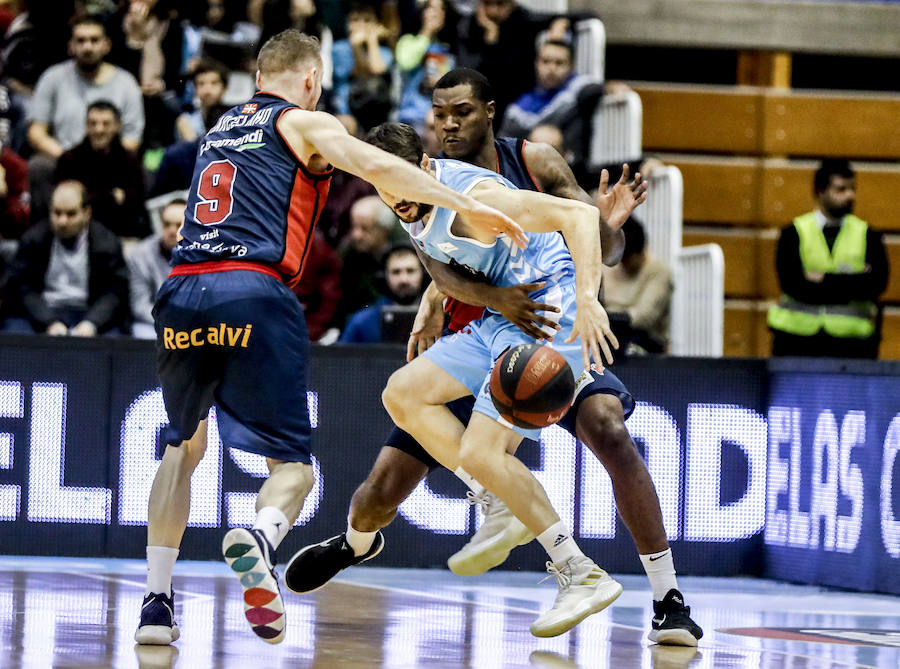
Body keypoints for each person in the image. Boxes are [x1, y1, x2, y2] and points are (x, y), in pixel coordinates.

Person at [285, 68, 703, 647]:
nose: (390, 194)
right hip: (497, 320)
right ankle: (494, 502)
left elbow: (578, 218)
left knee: (509, 447)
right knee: (402, 393)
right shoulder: (409, 200)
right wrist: (436, 299)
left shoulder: (476, 196)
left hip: (548, 317)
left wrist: (587, 299)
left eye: (395, 182)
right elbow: (445, 264)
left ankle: (580, 571)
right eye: (379, 184)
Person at [134, 28, 523, 647]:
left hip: (180, 291)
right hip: (252, 289)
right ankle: (260, 537)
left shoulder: (217, 130)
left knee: (183, 448)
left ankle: (156, 604)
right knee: (293, 470)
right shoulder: (304, 123)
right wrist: (461, 201)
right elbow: (376, 164)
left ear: (260, 75)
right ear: (311, 79)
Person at [27, 15, 144, 222]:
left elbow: (132, 140)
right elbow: (36, 132)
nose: (87, 47)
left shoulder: (126, 83)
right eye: (80, 41)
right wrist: (70, 158)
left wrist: (96, 161)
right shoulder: (52, 77)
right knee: (38, 166)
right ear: (71, 45)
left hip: (110, 162)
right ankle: (48, 230)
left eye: (94, 40)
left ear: (106, 45)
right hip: (62, 160)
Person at [768, 159, 889, 359]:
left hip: (852, 345)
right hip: (795, 341)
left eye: (852, 189)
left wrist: (823, 279)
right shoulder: (793, 232)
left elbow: (876, 285)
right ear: (820, 192)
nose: (850, 195)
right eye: (841, 189)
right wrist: (853, 282)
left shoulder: (869, 235)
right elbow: (793, 285)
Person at [1, 180, 130, 336]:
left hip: (88, 311)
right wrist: (49, 321)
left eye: (71, 214)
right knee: (15, 332)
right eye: (57, 213)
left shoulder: (107, 243)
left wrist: (92, 323)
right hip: (43, 310)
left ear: (86, 213)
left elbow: (115, 292)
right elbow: (22, 287)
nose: (62, 221)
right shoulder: (33, 239)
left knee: (115, 339)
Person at [499, 38, 603, 175]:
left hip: (570, 171)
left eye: (559, 63)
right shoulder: (520, 103)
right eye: (546, 61)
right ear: (536, 63)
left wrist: (611, 87)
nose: (551, 68)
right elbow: (502, 144)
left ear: (571, 67)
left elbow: (595, 89)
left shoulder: (577, 92)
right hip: (522, 171)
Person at [54, 100, 149, 239]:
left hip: (121, 232)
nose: (99, 129)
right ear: (86, 125)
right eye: (93, 123)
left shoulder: (130, 161)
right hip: (77, 234)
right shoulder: (69, 159)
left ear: (117, 125)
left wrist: (90, 196)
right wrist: (112, 196)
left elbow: (135, 202)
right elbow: (64, 202)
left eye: (106, 124)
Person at [604, 216, 673, 354]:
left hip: (644, 344)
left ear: (641, 251)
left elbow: (644, 317)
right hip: (607, 334)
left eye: (627, 259)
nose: (622, 264)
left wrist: (604, 317)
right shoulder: (609, 266)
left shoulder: (659, 271)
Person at [340, 244, 425, 343]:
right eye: (396, 272)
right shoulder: (362, 322)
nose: (403, 279)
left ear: (424, 274)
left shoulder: (439, 318)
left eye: (410, 271)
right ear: (383, 277)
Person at [127, 198, 183, 339]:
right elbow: (139, 305)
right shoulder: (140, 254)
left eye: (178, 225)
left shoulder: (204, 255)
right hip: (153, 322)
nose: (171, 231)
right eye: (166, 224)